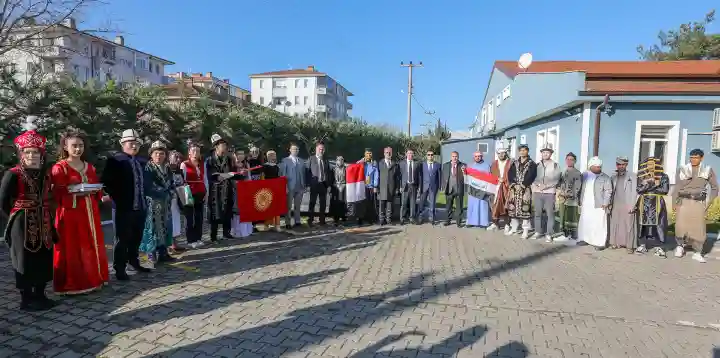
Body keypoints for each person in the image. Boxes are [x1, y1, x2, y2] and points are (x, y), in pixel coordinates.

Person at [0, 118, 57, 310]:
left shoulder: (45, 174)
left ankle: (40, 295)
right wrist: (15, 220)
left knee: (44, 257)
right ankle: (26, 299)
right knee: (24, 260)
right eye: (27, 152)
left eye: (35, 152)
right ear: (21, 154)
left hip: (44, 220)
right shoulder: (13, 174)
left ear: (41, 155)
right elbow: (2, 203)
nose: (31, 155)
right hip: (22, 222)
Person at [51, 131, 110, 295]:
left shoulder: (89, 167)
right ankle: (74, 284)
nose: (78, 149)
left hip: (90, 212)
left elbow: (96, 186)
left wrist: (99, 193)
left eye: (81, 145)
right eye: (74, 146)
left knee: (91, 246)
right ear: (65, 147)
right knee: (73, 248)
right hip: (71, 214)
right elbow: (57, 192)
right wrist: (74, 192)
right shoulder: (59, 168)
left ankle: (94, 278)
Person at [101, 129, 152, 280]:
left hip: (141, 206)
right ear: (123, 144)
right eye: (131, 143)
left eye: (136, 143)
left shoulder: (142, 161)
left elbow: (148, 181)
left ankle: (134, 261)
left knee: (137, 236)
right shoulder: (115, 160)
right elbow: (106, 182)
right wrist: (116, 196)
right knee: (123, 238)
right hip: (124, 207)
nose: (134, 146)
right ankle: (120, 268)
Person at [674, 149, 719, 262]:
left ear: (701, 158)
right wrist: (675, 203)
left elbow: (714, 188)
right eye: (691, 157)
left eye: (696, 157)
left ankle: (698, 252)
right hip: (684, 200)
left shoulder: (707, 170)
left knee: (699, 228)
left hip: (699, 202)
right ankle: (680, 246)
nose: (693, 160)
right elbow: (677, 186)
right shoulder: (683, 169)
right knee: (680, 226)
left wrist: (708, 202)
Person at [139, 140, 176, 264]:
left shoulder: (167, 168)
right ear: (151, 154)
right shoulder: (148, 168)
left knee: (165, 227)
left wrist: (171, 191)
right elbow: (148, 186)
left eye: (161, 153)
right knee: (153, 228)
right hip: (153, 203)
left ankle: (163, 252)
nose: (158, 156)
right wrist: (163, 191)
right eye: (156, 153)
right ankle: (151, 253)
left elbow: (172, 182)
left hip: (165, 203)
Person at [635, 157, 670, 258]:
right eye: (649, 164)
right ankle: (642, 245)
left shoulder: (663, 176)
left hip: (658, 202)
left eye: (653, 164)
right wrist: (652, 183)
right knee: (642, 223)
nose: (651, 166)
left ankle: (659, 247)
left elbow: (664, 190)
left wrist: (650, 185)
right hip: (644, 202)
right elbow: (639, 189)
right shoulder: (642, 176)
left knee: (659, 224)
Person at [577, 157, 612, 250]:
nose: (599, 168)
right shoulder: (584, 175)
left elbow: (608, 191)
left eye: (600, 166)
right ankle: (584, 239)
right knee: (586, 222)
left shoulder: (605, 177)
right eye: (596, 166)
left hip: (599, 204)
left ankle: (599, 243)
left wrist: (606, 202)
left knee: (599, 223)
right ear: (590, 166)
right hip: (586, 204)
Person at [205, 134, 235, 241]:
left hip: (227, 189)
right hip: (215, 190)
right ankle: (213, 236)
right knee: (215, 212)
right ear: (216, 146)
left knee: (227, 210)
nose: (225, 147)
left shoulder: (229, 159)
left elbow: (234, 172)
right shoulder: (210, 160)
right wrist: (228, 175)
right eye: (222, 145)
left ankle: (226, 233)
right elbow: (214, 176)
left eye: (225, 145)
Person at [530, 144, 561, 242]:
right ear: (541, 153)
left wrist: (546, 186)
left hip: (549, 193)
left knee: (550, 214)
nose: (545, 154)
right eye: (543, 152)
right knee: (537, 213)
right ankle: (538, 232)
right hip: (537, 191)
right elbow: (532, 176)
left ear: (551, 153)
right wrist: (537, 185)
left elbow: (557, 178)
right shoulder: (537, 165)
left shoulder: (555, 165)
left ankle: (549, 234)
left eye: (547, 152)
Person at [505, 145, 536, 239]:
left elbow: (532, 175)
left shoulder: (532, 163)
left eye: (524, 150)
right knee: (512, 209)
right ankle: (514, 228)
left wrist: (523, 184)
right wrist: (514, 184)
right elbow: (510, 174)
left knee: (525, 209)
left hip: (525, 189)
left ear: (527, 151)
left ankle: (525, 230)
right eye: (521, 150)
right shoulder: (515, 163)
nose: (522, 152)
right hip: (514, 189)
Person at [608, 156, 638, 253]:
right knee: (615, 223)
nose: (620, 166)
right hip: (616, 202)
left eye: (623, 164)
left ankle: (630, 246)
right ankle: (615, 243)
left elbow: (635, 192)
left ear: (626, 165)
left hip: (628, 202)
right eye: (619, 164)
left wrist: (632, 205)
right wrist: (609, 203)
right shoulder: (613, 176)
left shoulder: (632, 176)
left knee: (629, 224)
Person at [180, 142, 206, 249]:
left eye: (198, 151)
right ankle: (190, 240)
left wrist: (206, 192)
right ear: (189, 153)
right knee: (190, 218)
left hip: (200, 193)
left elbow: (205, 180)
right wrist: (184, 196)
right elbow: (182, 181)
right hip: (189, 193)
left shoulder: (202, 164)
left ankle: (198, 238)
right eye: (193, 151)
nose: (196, 153)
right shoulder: (184, 164)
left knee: (199, 217)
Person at [555, 152, 582, 242]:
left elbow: (577, 187)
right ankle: (564, 234)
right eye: (568, 159)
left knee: (570, 217)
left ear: (575, 161)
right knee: (562, 216)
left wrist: (569, 194)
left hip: (571, 199)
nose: (569, 161)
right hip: (562, 198)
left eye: (571, 159)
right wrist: (559, 192)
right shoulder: (563, 171)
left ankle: (572, 236)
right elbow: (559, 183)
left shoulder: (577, 173)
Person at [279, 143, 307, 229]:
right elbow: (283, 175)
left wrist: (304, 186)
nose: (296, 150)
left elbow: (304, 174)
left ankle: (297, 221)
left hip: (300, 186)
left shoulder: (302, 161)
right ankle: (287, 222)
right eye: (294, 149)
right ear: (290, 150)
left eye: (297, 149)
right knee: (288, 206)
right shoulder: (285, 160)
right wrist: (285, 187)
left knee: (297, 206)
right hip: (290, 187)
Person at [307, 142, 332, 226]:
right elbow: (307, 172)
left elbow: (328, 173)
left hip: (323, 185)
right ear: (316, 149)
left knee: (323, 203)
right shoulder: (311, 158)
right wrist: (308, 185)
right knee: (312, 203)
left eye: (322, 149)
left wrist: (328, 185)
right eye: (319, 149)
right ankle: (310, 220)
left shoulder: (325, 160)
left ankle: (322, 220)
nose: (321, 150)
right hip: (314, 185)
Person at [488, 144, 511, 232]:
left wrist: (504, 180)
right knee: (494, 206)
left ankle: (507, 224)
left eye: (503, 153)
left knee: (506, 206)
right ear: (497, 154)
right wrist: (497, 179)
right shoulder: (494, 164)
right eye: (500, 153)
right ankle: (495, 223)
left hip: (506, 187)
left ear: (506, 153)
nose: (502, 155)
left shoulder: (510, 163)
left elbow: (512, 175)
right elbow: (491, 175)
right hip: (496, 187)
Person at [465, 151, 492, 228]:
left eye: (479, 156)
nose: (477, 157)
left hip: (482, 188)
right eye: (476, 156)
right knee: (472, 205)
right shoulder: (471, 165)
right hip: (473, 188)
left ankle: (483, 222)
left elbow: (489, 177)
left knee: (482, 205)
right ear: (474, 157)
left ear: (482, 156)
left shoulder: (486, 166)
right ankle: (471, 221)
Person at [167, 150, 186, 254]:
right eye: (176, 157)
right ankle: (169, 245)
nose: (178, 160)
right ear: (170, 158)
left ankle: (175, 243)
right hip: (168, 200)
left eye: (179, 158)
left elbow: (182, 184)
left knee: (176, 222)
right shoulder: (166, 169)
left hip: (177, 199)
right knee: (169, 222)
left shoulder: (180, 171)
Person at [230, 150, 253, 238]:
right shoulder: (232, 165)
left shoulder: (246, 164)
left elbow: (249, 177)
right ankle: (237, 230)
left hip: (245, 190)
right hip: (236, 189)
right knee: (237, 210)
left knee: (246, 209)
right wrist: (237, 185)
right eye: (239, 154)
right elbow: (231, 178)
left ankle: (247, 230)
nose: (241, 156)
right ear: (235, 155)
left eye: (242, 154)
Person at [441, 151, 466, 227]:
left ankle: (459, 222)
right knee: (448, 206)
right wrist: (443, 186)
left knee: (459, 207)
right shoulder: (446, 165)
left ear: (458, 157)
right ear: (451, 157)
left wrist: (464, 172)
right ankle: (448, 220)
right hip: (449, 188)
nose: (455, 158)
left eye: (456, 156)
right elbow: (443, 176)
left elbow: (466, 177)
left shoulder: (463, 165)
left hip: (459, 189)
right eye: (453, 156)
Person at [354, 148, 379, 226]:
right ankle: (359, 219)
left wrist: (375, 185)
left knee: (370, 204)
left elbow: (376, 175)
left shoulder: (374, 163)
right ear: (365, 154)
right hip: (361, 186)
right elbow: (355, 168)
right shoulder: (361, 162)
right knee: (361, 203)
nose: (369, 155)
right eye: (367, 153)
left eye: (370, 153)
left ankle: (370, 219)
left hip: (370, 186)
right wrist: (361, 161)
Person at [417, 150, 441, 225]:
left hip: (433, 187)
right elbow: (420, 176)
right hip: (424, 186)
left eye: (431, 155)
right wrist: (419, 186)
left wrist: (440, 186)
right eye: (428, 155)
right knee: (422, 202)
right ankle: (420, 217)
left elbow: (439, 176)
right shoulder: (422, 164)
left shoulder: (437, 165)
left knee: (432, 203)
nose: (430, 156)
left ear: (433, 156)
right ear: (426, 156)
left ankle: (431, 218)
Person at [377, 147, 400, 225]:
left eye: (390, 152)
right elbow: (377, 176)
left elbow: (397, 178)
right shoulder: (380, 163)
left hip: (391, 187)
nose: (388, 154)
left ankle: (388, 219)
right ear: (384, 154)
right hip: (382, 187)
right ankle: (381, 220)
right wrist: (376, 187)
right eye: (387, 152)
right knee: (382, 205)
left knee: (389, 205)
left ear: (391, 153)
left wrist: (397, 188)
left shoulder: (395, 164)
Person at [399, 149, 421, 225]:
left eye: (412, 153)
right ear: (406, 154)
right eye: (409, 153)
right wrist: (400, 186)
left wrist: (419, 186)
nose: (410, 155)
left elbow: (419, 176)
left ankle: (412, 218)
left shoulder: (417, 163)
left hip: (414, 186)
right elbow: (399, 176)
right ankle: (402, 218)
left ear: (413, 155)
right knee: (404, 203)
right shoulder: (401, 163)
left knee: (413, 203)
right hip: (405, 186)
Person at [262, 150, 282, 231]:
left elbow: (278, 177)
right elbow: (263, 177)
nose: (272, 156)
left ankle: (277, 225)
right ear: (267, 156)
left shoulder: (277, 166)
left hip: (276, 188)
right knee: (267, 207)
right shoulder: (264, 166)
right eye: (270, 155)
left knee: (276, 207)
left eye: (273, 155)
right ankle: (266, 225)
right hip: (267, 189)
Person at [330, 155, 348, 226]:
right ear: (336, 161)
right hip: (335, 187)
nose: (340, 161)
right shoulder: (334, 169)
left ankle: (343, 217)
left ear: (343, 161)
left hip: (344, 186)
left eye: (341, 160)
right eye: (338, 160)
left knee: (343, 203)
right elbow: (331, 178)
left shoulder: (346, 169)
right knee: (335, 204)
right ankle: (336, 219)